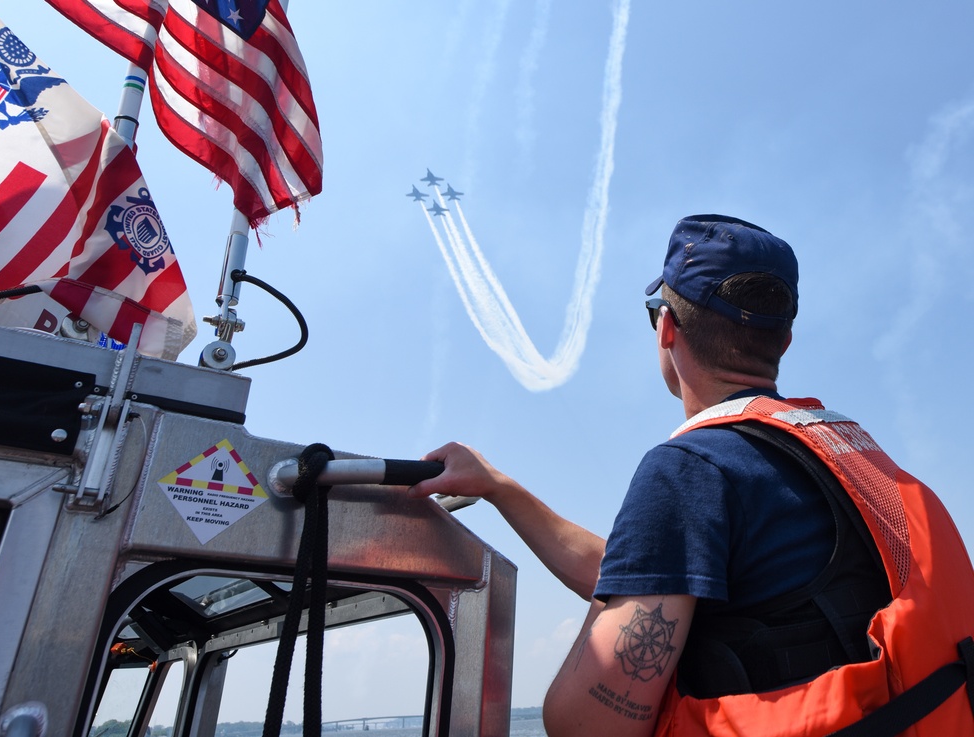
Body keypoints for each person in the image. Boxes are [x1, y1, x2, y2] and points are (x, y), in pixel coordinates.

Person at [409, 214, 974, 737]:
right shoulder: (831, 452)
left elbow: (587, 724)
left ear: (667, 329)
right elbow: (651, 572)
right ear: (784, 341)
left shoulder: (692, 469)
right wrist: (499, 488)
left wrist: (612, 611)